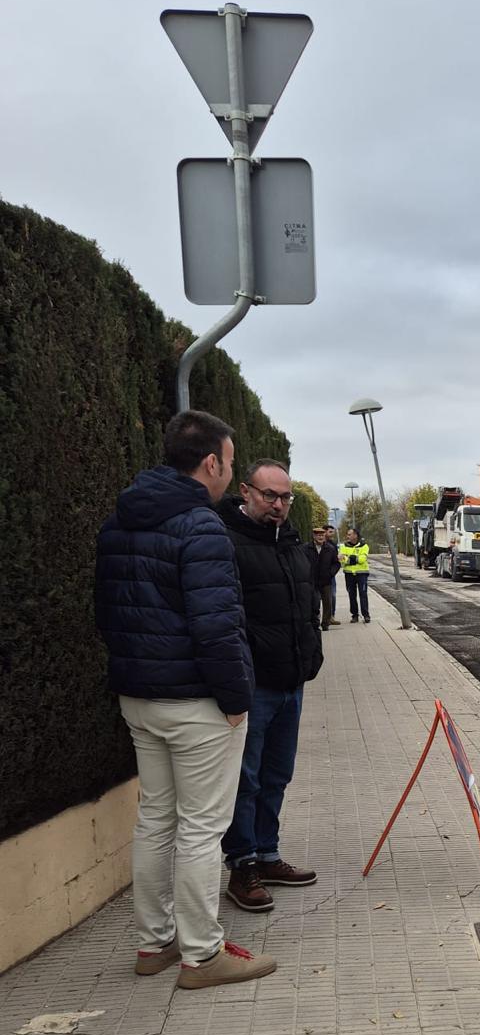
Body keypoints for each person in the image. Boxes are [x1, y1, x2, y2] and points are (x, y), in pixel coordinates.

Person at [94, 410, 277, 990]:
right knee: (201, 828)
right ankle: (203, 955)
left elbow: (106, 613)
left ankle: (154, 945)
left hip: (139, 697)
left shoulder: (120, 522)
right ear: (211, 462)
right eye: (229, 461)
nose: (228, 472)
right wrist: (236, 699)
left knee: (156, 819)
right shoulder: (201, 527)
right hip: (197, 703)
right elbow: (217, 626)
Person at [219, 458, 323, 911]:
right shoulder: (228, 542)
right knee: (245, 779)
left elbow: (306, 604)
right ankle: (242, 865)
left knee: (276, 775)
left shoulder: (292, 544)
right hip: (253, 687)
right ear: (246, 491)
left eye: (285, 497)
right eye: (269, 495)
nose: (278, 505)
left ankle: (267, 853)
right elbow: (226, 618)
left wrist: (312, 652)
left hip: (290, 682)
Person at [310, 525, 340, 630]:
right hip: (312, 580)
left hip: (326, 580)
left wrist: (330, 573)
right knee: (314, 602)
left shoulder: (330, 549)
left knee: (328, 603)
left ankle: (325, 624)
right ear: (314, 536)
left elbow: (336, 563)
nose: (320, 537)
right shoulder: (307, 548)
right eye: (318, 535)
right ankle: (315, 622)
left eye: (322, 535)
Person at [339, 526, 371, 623]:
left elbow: (362, 559)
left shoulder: (364, 546)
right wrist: (355, 558)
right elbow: (342, 559)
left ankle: (366, 615)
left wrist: (349, 558)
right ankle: (354, 615)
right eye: (347, 535)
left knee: (363, 594)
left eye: (349, 534)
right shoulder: (343, 546)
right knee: (351, 595)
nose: (347, 536)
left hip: (362, 574)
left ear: (355, 535)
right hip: (349, 574)